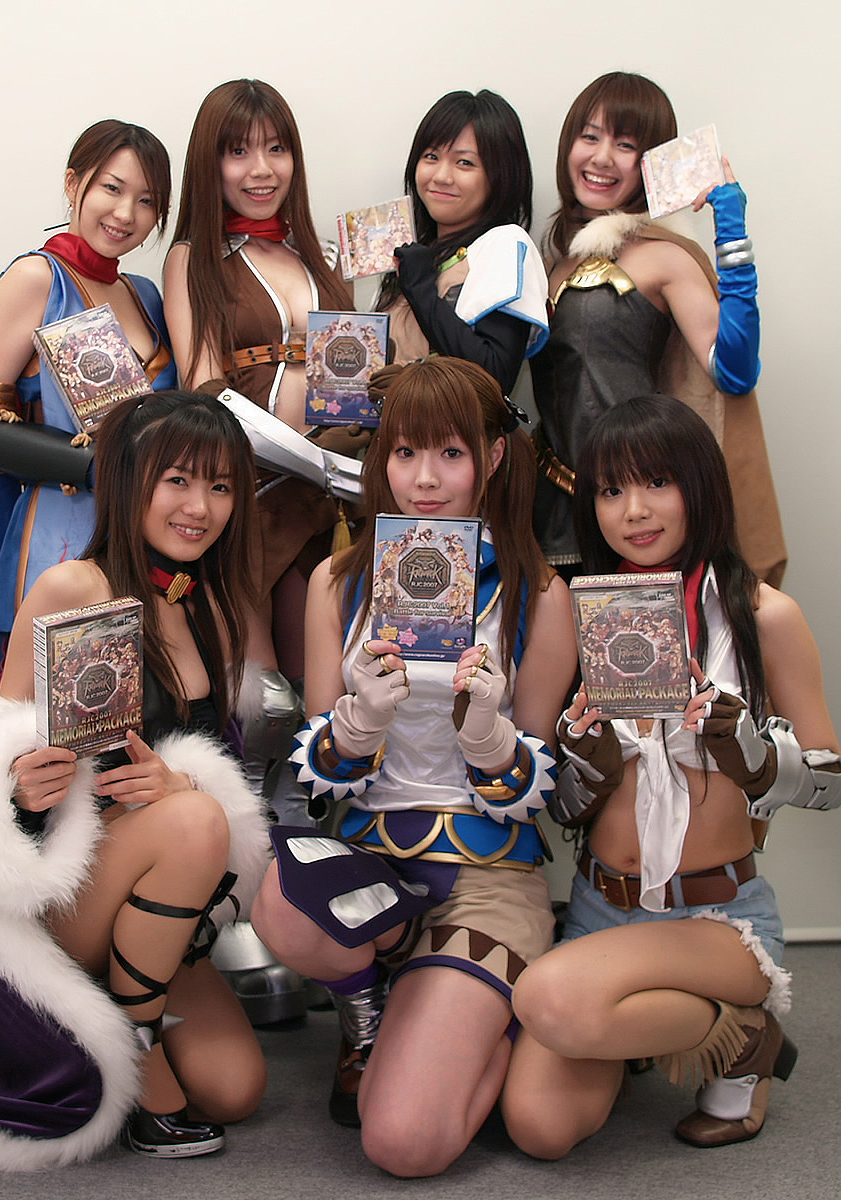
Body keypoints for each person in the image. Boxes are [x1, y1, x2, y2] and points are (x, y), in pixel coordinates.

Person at [251, 357, 577, 1177]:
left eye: (450, 454)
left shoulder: (539, 593)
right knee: (278, 902)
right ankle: (366, 1009)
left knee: (402, 1142)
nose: (424, 480)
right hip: (374, 861)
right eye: (404, 453)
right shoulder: (338, 582)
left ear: (491, 457)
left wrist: (488, 736)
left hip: (488, 874)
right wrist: (360, 720)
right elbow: (321, 771)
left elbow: (540, 784)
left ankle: (488, 1021)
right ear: (381, 458)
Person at [503, 395, 839, 1158]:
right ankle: (697, 1027)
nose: (634, 511)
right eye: (610, 490)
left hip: (717, 918)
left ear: (701, 484)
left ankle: (743, 1035)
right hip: (601, 906)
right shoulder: (573, 612)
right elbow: (535, 781)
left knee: (550, 998)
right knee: (539, 1127)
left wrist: (754, 754)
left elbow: (832, 778)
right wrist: (583, 762)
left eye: (658, 482)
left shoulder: (763, 615)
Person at [0, 391, 272, 1168]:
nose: (200, 507)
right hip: (57, 899)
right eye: (178, 480)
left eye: (221, 486)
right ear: (128, 479)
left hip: (154, 903)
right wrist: (24, 790)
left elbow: (224, 770)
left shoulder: (211, 605)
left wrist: (184, 787)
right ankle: (138, 1055)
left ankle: (137, 1007)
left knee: (236, 1090)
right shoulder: (73, 587)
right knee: (194, 820)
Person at [0, 120, 177, 693]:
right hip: (60, 531)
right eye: (112, 188)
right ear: (74, 184)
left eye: (147, 201)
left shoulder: (146, 295)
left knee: (133, 707)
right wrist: (100, 466)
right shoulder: (36, 279)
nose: (125, 213)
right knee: (54, 709)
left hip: (141, 535)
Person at [531, 71, 785, 585]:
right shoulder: (551, 260)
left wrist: (731, 227)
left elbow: (734, 372)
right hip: (552, 508)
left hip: (639, 515)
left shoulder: (663, 256)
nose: (602, 158)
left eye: (625, 145)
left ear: (650, 162)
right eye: (590, 136)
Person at [165, 77, 362, 684]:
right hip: (253, 493)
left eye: (277, 148)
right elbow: (204, 388)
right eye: (239, 150)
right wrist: (309, 461)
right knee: (258, 690)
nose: (261, 169)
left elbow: (356, 373)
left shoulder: (323, 256)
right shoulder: (193, 258)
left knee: (329, 678)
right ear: (210, 163)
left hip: (335, 494)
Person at [375, 89, 549, 396]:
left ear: (501, 175)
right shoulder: (414, 250)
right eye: (431, 157)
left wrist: (421, 287)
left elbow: (493, 377)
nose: (442, 176)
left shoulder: (503, 245)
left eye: (465, 163)